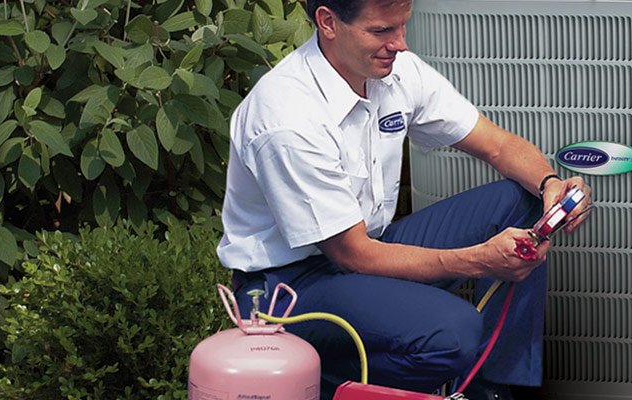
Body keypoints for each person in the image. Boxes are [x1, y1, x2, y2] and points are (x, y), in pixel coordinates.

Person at [217, 0, 593, 398]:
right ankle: (325, 383)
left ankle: (495, 388)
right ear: (328, 22)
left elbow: (498, 145)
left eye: (402, 27)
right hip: (288, 288)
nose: (399, 44)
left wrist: (550, 183)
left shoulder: (394, 70)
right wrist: (477, 260)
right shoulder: (288, 118)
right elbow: (352, 254)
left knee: (524, 200)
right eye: (381, 31)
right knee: (454, 331)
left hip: (366, 251)